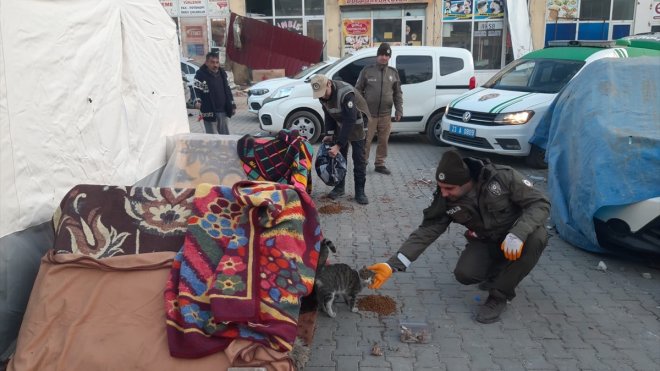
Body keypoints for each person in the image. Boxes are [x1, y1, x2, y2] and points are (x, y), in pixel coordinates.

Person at [367, 150, 550, 323]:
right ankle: (498, 270)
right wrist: (392, 265)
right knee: (465, 274)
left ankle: (499, 296)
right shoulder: (445, 199)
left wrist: (519, 232)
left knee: (537, 238)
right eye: (441, 188)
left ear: (467, 182)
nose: (444, 193)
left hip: (517, 237)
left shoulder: (502, 177)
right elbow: (427, 231)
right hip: (486, 240)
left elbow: (540, 203)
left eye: (449, 188)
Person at [310, 74, 370, 205]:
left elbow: (350, 120)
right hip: (341, 122)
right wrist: (329, 133)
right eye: (319, 94)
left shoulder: (346, 93)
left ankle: (360, 191)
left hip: (358, 123)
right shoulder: (322, 96)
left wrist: (338, 145)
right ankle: (339, 187)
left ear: (329, 84)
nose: (322, 96)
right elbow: (328, 114)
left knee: (359, 158)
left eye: (324, 92)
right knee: (338, 158)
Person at [354, 43, 403, 175]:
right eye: (381, 54)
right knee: (366, 141)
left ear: (389, 57)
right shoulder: (367, 70)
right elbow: (357, 90)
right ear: (377, 56)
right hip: (369, 115)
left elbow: (398, 93)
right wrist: (360, 107)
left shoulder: (393, 73)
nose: (384, 57)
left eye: (386, 55)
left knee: (383, 141)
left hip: (386, 115)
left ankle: (380, 164)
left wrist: (399, 110)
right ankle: (362, 163)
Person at [193, 52, 235, 134]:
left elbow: (228, 91)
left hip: (223, 111)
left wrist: (232, 105)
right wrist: (197, 101)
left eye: (217, 62)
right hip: (209, 111)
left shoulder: (223, 74)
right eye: (212, 62)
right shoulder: (200, 75)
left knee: (225, 137)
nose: (215, 65)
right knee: (212, 139)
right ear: (206, 63)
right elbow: (195, 90)